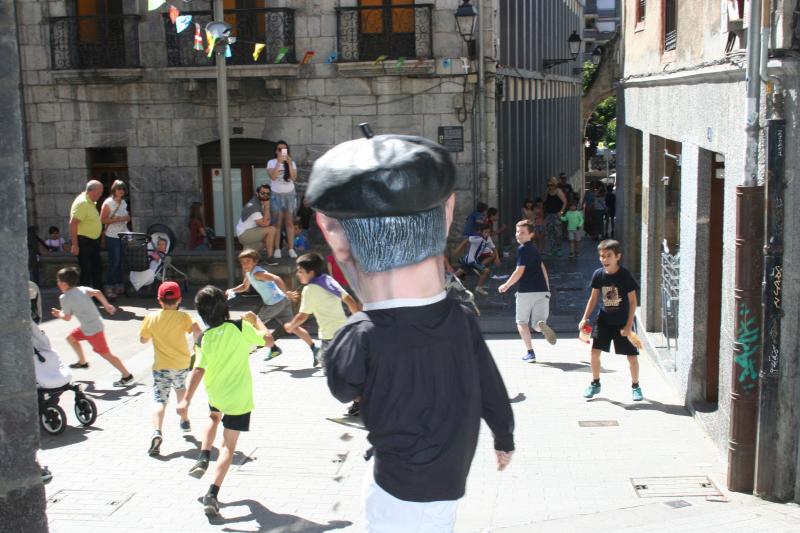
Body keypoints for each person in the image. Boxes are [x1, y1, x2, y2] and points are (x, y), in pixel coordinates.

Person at [307, 133, 515, 532]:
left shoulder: (362, 333)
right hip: (450, 477)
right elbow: (491, 385)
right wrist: (504, 436)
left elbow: (341, 389)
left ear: (333, 232)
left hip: (397, 485)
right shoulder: (460, 318)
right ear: (448, 211)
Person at [177, 286, 269, 517]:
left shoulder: (204, 339)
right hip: (239, 397)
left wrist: (186, 400)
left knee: (213, 417)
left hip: (216, 392)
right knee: (228, 446)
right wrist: (256, 320)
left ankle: (204, 456)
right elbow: (267, 340)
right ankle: (212, 493)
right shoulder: (239, 327)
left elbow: (198, 369)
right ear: (225, 307)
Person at [139, 281, 202, 456]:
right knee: (181, 389)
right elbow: (197, 331)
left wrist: (152, 334)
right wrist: (199, 348)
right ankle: (184, 418)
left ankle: (157, 431)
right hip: (182, 363)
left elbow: (143, 339)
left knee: (160, 400)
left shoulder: (151, 317)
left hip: (161, 366)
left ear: (159, 300)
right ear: (179, 300)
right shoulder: (183, 317)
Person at [227, 249, 317, 363]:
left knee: (254, 323)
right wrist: (232, 290)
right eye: (242, 262)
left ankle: (268, 348)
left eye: (247, 261)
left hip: (275, 304)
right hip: (282, 302)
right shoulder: (249, 273)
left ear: (255, 262)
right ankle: (314, 348)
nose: (244, 264)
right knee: (293, 327)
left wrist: (286, 292)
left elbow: (276, 278)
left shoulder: (257, 273)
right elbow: (245, 286)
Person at [579, 240, 642, 401]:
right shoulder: (598, 274)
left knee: (632, 357)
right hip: (604, 320)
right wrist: (585, 318)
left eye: (608, 256)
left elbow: (633, 302)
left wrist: (628, 325)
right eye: (602, 256)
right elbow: (593, 298)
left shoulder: (625, 276)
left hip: (622, 321)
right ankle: (595, 383)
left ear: (617, 256)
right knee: (594, 352)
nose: (604, 259)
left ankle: (636, 386)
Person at [50, 267, 133, 386]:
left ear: (63, 283)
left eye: (58, 280)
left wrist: (59, 314)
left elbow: (67, 318)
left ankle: (127, 375)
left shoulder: (64, 298)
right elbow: (97, 292)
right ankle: (82, 362)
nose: (57, 283)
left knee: (106, 354)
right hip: (91, 326)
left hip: (92, 331)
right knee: (71, 338)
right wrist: (107, 305)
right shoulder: (82, 289)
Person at [284, 253, 360, 370]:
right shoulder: (327, 280)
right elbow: (349, 300)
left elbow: (303, 316)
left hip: (329, 336)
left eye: (301, 271)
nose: (297, 274)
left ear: (311, 272)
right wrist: (358, 319)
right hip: (344, 332)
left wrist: (291, 325)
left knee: (330, 370)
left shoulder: (309, 290)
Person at [498, 220, 557, 362]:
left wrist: (506, 285)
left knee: (522, 322)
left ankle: (530, 353)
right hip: (542, 291)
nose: (519, 235)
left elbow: (519, 270)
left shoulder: (523, 249)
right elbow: (543, 268)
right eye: (517, 231)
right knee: (537, 323)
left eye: (523, 232)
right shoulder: (535, 249)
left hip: (526, 292)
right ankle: (541, 326)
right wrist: (547, 289)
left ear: (531, 234)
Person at [69, 180, 104, 290]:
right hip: (84, 242)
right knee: (86, 270)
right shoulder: (83, 203)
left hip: (92, 241)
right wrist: (75, 245)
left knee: (96, 268)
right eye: (98, 193)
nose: (100, 195)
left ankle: (97, 294)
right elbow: (73, 223)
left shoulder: (89, 201)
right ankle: (84, 296)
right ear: (90, 191)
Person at [267, 140, 299, 259]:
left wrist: (289, 164)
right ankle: (277, 249)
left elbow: (294, 178)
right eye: (279, 149)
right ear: (276, 151)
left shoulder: (291, 162)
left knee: (289, 223)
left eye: (284, 149)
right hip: (276, 195)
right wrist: (278, 163)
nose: (281, 151)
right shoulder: (271, 162)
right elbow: (273, 176)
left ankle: (291, 249)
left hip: (289, 194)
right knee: (277, 223)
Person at [100, 180, 131, 299]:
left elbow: (126, 217)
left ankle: (119, 283)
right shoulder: (108, 203)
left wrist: (127, 218)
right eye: (119, 189)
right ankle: (109, 284)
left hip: (123, 234)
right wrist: (118, 219)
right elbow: (102, 220)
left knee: (121, 261)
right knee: (115, 261)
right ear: (114, 190)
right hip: (112, 235)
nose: (121, 191)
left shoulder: (123, 202)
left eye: (123, 189)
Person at [235, 183, 278, 260]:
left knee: (267, 239)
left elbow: (266, 221)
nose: (265, 195)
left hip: (247, 232)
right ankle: (270, 258)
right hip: (244, 234)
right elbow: (265, 224)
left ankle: (245, 255)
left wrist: (266, 208)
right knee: (272, 230)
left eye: (268, 193)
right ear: (257, 193)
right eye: (263, 193)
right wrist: (267, 207)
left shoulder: (259, 202)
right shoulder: (254, 206)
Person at [454, 224, 498, 296]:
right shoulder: (478, 238)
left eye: (489, 232)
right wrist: (457, 250)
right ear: (481, 232)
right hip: (471, 261)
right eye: (485, 232)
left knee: (459, 272)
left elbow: (492, 248)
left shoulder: (486, 239)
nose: (487, 234)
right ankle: (478, 288)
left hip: (469, 260)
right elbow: (467, 240)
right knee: (486, 271)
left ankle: (447, 284)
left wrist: (496, 257)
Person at [543, 176, 567, 256]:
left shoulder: (558, 191)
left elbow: (565, 201)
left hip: (556, 214)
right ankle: (552, 249)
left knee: (558, 232)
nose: (550, 187)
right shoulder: (547, 191)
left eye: (552, 185)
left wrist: (561, 211)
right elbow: (544, 201)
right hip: (549, 214)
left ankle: (559, 248)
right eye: (549, 185)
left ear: (555, 185)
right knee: (550, 232)